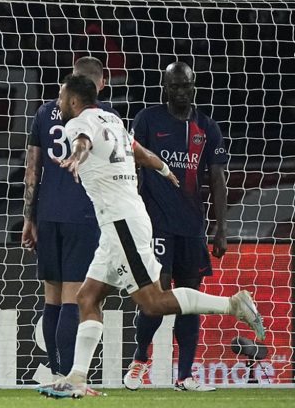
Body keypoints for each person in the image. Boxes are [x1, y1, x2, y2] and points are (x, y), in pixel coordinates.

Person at [36, 74, 264, 399]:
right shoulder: (112, 119)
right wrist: (164, 169)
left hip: (121, 225)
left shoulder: (77, 124)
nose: (59, 104)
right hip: (120, 223)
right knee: (87, 298)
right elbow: (139, 151)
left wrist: (77, 156)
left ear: (74, 100)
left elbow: (84, 140)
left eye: (61, 98)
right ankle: (76, 378)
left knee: (153, 302)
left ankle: (232, 304)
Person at [123, 61, 229, 392]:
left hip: (193, 227)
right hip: (155, 225)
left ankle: (185, 376)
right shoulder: (147, 120)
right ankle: (141, 360)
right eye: (174, 86)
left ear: (195, 86)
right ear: (165, 88)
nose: (181, 91)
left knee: (191, 298)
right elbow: (131, 167)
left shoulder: (207, 127)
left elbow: (217, 178)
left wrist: (220, 228)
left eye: (186, 85)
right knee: (158, 294)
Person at [22, 57, 118, 392]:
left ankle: (56, 373)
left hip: (47, 213)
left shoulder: (43, 113)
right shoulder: (106, 117)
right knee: (74, 300)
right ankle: (66, 377)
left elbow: (32, 170)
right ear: (99, 84)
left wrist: (28, 218)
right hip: (84, 214)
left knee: (51, 298)